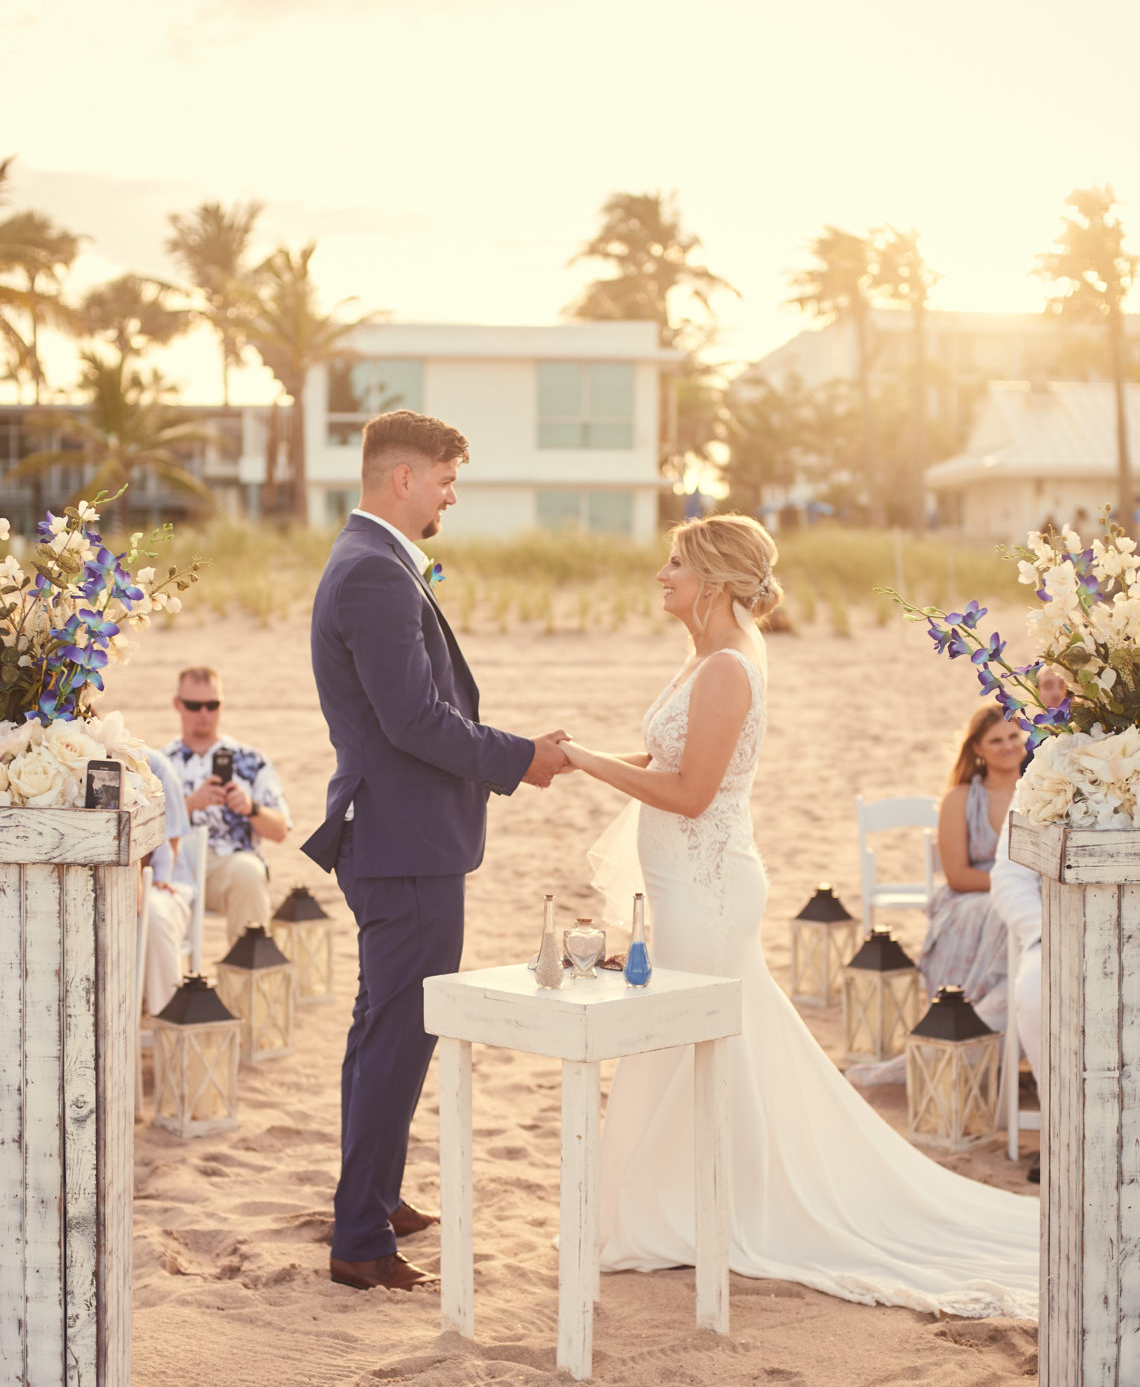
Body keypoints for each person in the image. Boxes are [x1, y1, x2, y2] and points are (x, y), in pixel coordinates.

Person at [557, 514, 1037, 1317]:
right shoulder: (705, 660)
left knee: (695, 1036)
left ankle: (714, 1205)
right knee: (700, 1039)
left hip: (708, 888)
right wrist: (585, 757)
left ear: (712, 581)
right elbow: (669, 759)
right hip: (687, 881)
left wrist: (579, 761)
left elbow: (691, 792)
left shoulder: (726, 670)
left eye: (675, 562)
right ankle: (689, 1201)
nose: (661, 573)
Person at [303, 409, 570, 1294]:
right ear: (403, 479)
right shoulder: (374, 574)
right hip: (402, 842)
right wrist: (518, 758)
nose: (453, 495)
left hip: (393, 836)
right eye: (447, 480)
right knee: (399, 1034)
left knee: (380, 1026)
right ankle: (361, 1239)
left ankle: (371, 1196)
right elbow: (414, 720)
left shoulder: (371, 562)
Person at [163, 667, 291, 949]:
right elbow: (143, 829)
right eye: (194, 706)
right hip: (174, 862)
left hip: (228, 863)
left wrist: (250, 808)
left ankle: (247, 987)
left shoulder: (249, 759)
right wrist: (190, 804)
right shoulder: (161, 763)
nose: (204, 714)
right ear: (177, 705)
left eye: (213, 705)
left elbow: (281, 830)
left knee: (248, 872)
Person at [917, 706, 1026, 1032]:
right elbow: (958, 875)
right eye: (996, 740)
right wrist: (1012, 887)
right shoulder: (961, 798)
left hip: (1030, 896)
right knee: (1002, 911)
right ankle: (977, 1019)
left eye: (1013, 736)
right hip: (972, 900)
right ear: (977, 748)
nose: (1007, 745)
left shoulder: (1044, 793)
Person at [141, 745, 197, 1019]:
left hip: (162, 876)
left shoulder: (152, 764)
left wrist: (155, 878)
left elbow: (170, 839)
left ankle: (168, 1022)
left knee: (152, 913)